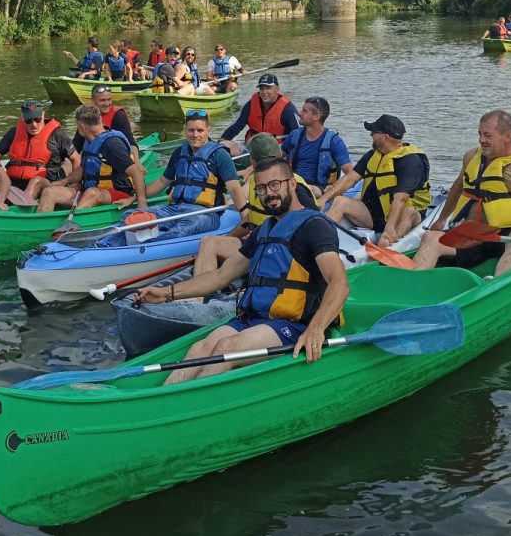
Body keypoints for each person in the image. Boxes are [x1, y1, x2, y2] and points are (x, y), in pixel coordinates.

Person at [133, 158, 350, 384]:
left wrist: (316, 328)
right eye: (262, 188)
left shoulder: (314, 226)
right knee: (202, 347)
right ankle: (166, 398)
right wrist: (166, 293)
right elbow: (220, 276)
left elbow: (339, 283)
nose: (269, 193)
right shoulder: (265, 230)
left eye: (275, 184)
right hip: (256, 319)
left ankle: (189, 405)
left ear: (292, 184)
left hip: (295, 324)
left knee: (227, 348)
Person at [412, 109, 511, 276]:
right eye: (479, 134)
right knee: (430, 237)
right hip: (476, 236)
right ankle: (413, 285)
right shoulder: (471, 157)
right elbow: (458, 187)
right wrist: (441, 220)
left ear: (507, 136)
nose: (481, 140)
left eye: (487, 135)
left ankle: (497, 285)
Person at [192, 132, 318, 275]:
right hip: (258, 243)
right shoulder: (254, 182)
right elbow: (249, 219)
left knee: (209, 244)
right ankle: (198, 295)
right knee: (208, 243)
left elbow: (313, 220)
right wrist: (227, 239)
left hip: (283, 249)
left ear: (252, 161)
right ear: (279, 156)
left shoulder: (294, 185)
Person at [325, 114, 431, 248]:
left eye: (373, 132)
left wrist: (389, 228)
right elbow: (349, 179)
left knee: (409, 212)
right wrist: (321, 201)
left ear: (384, 137)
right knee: (341, 201)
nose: (371, 135)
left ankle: (391, 242)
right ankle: (321, 240)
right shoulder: (372, 155)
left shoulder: (411, 161)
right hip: (375, 214)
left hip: (402, 215)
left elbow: (400, 199)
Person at [37, 103, 149, 212]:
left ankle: (73, 224)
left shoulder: (112, 144)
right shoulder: (89, 140)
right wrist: (65, 181)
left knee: (92, 193)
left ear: (82, 126)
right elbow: (83, 168)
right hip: (89, 191)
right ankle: (40, 227)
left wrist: (141, 201)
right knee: (49, 192)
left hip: (117, 192)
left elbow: (136, 172)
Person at [0, 101, 75, 209]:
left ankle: (17, 211)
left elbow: (76, 159)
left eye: (37, 119)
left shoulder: (57, 135)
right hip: (14, 183)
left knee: (36, 181)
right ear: (23, 118)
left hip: (45, 182)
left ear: (43, 115)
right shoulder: (13, 133)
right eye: (28, 120)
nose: (34, 124)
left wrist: (74, 186)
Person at [280, 96, 355, 203]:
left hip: (318, 188)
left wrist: (334, 188)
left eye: (305, 111)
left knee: (307, 189)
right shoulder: (294, 135)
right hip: (293, 182)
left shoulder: (335, 142)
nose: (300, 113)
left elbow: (351, 174)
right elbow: (277, 157)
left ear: (316, 116)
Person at [220, 74, 299, 153]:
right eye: (262, 88)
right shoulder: (251, 105)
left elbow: (299, 133)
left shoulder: (288, 108)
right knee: (224, 145)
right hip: (253, 146)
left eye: (268, 88)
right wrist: (222, 140)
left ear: (277, 89)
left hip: (277, 148)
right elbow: (235, 126)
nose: (264, 92)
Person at [76, 84, 139, 165]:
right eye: (102, 100)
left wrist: (137, 163)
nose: (107, 104)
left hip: (116, 157)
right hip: (95, 158)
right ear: (93, 100)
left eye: (109, 99)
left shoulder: (118, 116)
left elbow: (131, 143)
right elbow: (76, 146)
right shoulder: (86, 117)